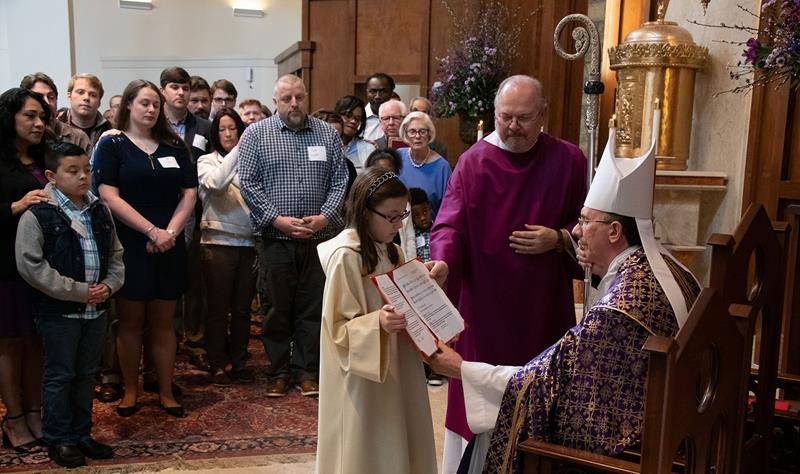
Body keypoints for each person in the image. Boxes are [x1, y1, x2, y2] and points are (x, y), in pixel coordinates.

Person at [427, 108, 700, 472]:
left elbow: (540, 381)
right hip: (671, 419)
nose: (575, 231)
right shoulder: (674, 271)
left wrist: (462, 369)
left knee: (507, 432)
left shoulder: (618, 308)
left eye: (585, 222)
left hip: (632, 444)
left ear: (615, 232)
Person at [430, 75, 588, 473]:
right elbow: (449, 225)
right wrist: (445, 260)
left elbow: (588, 225)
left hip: (543, 306)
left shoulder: (569, 160)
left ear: (543, 115)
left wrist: (558, 238)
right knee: (478, 396)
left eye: (524, 118)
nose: (513, 126)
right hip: (486, 305)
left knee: (541, 393)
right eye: (506, 117)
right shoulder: (473, 162)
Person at [315, 168, 447, 474]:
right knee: (370, 445)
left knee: (403, 435)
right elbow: (336, 330)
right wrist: (377, 323)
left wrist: (424, 284)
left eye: (403, 216)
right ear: (364, 211)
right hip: (365, 377)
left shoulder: (395, 250)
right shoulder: (347, 256)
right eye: (390, 217)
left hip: (400, 364)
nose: (399, 225)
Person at [15, 142, 125, 468]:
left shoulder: (99, 209)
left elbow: (116, 255)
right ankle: (59, 438)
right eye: (73, 171)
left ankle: (81, 433)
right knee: (60, 374)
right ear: (51, 175)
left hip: (96, 309)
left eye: (87, 170)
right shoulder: (39, 214)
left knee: (86, 374)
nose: (83, 177)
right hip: (59, 311)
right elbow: (31, 265)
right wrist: (78, 291)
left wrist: (109, 285)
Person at [238, 74, 348, 397]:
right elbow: (249, 183)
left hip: (319, 238)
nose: (294, 104)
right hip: (275, 238)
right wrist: (278, 220)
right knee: (275, 307)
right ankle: (277, 371)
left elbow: (340, 181)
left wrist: (325, 216)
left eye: (299, 97)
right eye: (287, 99)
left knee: (313, 307)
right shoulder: (256, 134)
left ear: (307, 96)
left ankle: (307, 370)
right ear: (275, 102)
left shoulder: (327, 134)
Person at [93, 79, 198, 418]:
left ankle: (166, 390)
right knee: (130, 323)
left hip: (169, 242)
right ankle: (130, 391)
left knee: (165, 322)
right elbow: (108, 196)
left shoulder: (174, 146)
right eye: (144, 103)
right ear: (128, 105)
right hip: (131, 244)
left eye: (155, 104)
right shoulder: (113, 144)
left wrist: (168, 233)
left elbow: (189, 195)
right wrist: (151, 231)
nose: (151, 109)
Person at [0, 87, 51, 453]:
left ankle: (35, 412)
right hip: (5, 263)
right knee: (10, 343)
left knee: (36, 343)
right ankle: (14, 417)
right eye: (30, 116)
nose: (38, 123)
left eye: (42, 117)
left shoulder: (42, 157)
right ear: (9, 118)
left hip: (42, 265)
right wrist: (16, 205)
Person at [196, 108, 257, 386]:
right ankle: (218, 362)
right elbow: (217, 183)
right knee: (218, 307)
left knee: (243, 308)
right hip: (217, 242)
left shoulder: (254, 160)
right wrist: (239, 150)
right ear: (214, 133)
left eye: (234, 128)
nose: (229, 134)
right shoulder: (207, 160)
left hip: (249, 242)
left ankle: (240, 361)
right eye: (222, 129)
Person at [159, 67, 211, 373]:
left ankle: (195, 340)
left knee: (195, 282)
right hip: (161, 209)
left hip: (197, 211)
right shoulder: (154, 123)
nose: (181, 93)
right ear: (163, 90)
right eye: (174, 87)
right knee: (166, 281)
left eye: (185, 87)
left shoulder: (203, 126)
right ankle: (169, 338)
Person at [408, 187, 444, 387]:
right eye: (416, 215)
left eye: (425, 212)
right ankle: (426, 368)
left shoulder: (439, 229)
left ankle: (440, 367)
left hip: (438, 282)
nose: (422, 218)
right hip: (420, 287)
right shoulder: (411, 236)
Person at [364, 149, 416, 263]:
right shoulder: (367, 203)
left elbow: (410, 237)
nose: (385, 177)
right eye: (380, 173)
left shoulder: (403, 202)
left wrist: (411, 264)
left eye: (390, 173)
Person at [397, 111, 451, 218]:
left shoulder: (442, 167)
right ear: (406, 134)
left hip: (429, 229)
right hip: (399, 226)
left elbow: (447, 207)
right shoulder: (398, 156)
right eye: (412, 131)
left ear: (429, 134)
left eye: (422, 131)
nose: (417, 136)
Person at [20, 73, 91, 153]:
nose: (47, 102)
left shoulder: (78, 138)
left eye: (51, 97)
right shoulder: (20, 137)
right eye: (39, 97)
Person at [58, 74, 112, 151]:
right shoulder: (56, 126)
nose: (86, 98)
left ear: (99, 102)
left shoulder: (109, 130)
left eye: (93, 95)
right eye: (80, 92)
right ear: (69, 97)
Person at [311, 109, 357, 195]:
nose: (335, 142)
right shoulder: (298, 163)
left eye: (338, 136)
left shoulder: (347, 166)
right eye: (328, 137)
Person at [333, 95, 375, 172]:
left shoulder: (367, 148)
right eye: (348, 116)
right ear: (337, 116)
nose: (353, 121)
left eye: (357, 118)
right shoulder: (325, 144)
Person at [362, 72, 395, 142]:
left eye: (382, 91)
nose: (377, 96)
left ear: (391, 93)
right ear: (366, 93)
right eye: (373, 91)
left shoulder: (400, 119)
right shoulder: (359, 119)